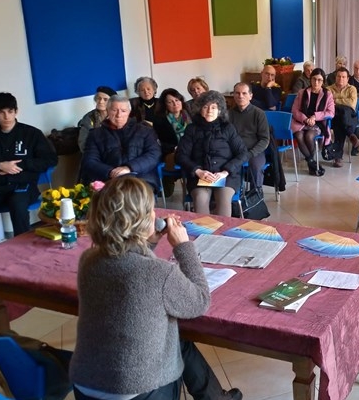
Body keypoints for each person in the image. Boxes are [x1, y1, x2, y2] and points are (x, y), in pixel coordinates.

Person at [70, 175, 242, 400]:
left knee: (178, 341)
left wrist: (148, 241)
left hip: (86, 383)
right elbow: (199, 301)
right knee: (177, 341)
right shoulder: (160, 273)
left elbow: (128, 262)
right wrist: (183, 247)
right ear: (141, 221)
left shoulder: (89, 259)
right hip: (137, 390)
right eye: (151, 210)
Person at [0, 92, 58, 253]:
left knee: (18, 205)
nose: (6, 116)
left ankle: (23, 252)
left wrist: (22, 164)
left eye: (10, 111)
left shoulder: (32, 134)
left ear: (16, 111)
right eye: (1, 112)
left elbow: (50, 160)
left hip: (24, 185)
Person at [176, 91, 249, 217]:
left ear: (220, 110)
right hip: (199, 176)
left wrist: (225, 172)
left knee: (224, 200)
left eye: (214, 107)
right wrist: (198, 171)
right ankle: (204, 234)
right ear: (199, 109)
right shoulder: (192, 129)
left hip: (225, 176)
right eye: (205, 107)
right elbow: (181, 156)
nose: (209, 110)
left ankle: (221, 235)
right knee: (200, 199)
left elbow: (243, 153)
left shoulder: (228, 128)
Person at [81, 95, 162, 192]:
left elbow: (154, 155)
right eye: (114, 110)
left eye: (123, 111)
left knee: (133, 196)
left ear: (129, 112)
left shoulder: (145, 131)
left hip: (141, 178)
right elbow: (90, 161)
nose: (119, 115)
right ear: (107, 111)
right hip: (107, 180)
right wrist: (111, 172)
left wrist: (129, 168)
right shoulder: (95, 134)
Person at [290, 68, 335, 176]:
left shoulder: (327, 94)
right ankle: (312, 162)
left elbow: (331, 112)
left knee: (309, 136)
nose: (316, 82)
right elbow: (294, 110)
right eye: (314, 79)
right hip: (302, 121)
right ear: (310, 79)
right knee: (299, 135)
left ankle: (311, 163)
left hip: (318, 122)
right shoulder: (302, 92)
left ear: (323, 81)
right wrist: (305, 119)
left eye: (319, 80)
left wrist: (315, 116)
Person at [228, 82, 271, 189]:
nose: (240, 96)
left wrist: (251, 153)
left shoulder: (259, 113)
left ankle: (255, 194)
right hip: (234, 151)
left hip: (254, 151)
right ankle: (233, 196)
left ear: (250, 96)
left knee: (256, 167)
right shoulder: (228, 114)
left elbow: (265, 139)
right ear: (233, 95)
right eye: (237, 93)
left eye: (244, 93)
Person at [152, 88, 192, 197]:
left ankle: (193, 191)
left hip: (190, 151)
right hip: (171, 153)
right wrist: (173, 147)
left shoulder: (190, 116)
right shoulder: (159, 120)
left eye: (177, 100)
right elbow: (158, 142)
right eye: (170, 102)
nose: (175, 104)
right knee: (167, 193)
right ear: (165, 105)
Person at [328, 67, 359, 165]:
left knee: (342, 115)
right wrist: (343, 101)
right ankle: (351, 135)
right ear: (335, 77)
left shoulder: (352, 89)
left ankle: (338, 157)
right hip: (334, 118)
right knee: (340, 118)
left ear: (347, 79)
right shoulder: (329, 89)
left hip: (350, 117)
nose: (341, 79)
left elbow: (352, 104)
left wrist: (336, 101)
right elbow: (328, 104)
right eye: (339, 76)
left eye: (343, 77)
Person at [78, 86, 117, 153]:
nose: (101, 102)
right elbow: (83, 142)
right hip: (95, 155)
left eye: (105, 99)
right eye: (99, 98)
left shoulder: (118, 115)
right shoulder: (89, 118)